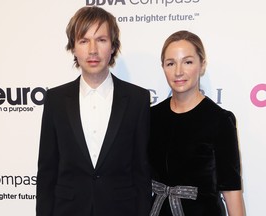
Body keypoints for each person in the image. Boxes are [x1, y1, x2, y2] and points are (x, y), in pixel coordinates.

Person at [36, 6, 152, 216]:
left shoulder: (137, 99)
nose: (92, 50)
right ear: (73, 47)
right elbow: (47, 172)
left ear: (113, 45)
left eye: (101, 39)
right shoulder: (55, 100)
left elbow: (141, 172)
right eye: (83, 40)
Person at [149, 30, 245, 216]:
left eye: (188, 62)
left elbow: (232, 190)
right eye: (171, 63)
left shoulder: (219, 120)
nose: (178, 71)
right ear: (163, 67)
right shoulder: (151, 116)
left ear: (202, 65)